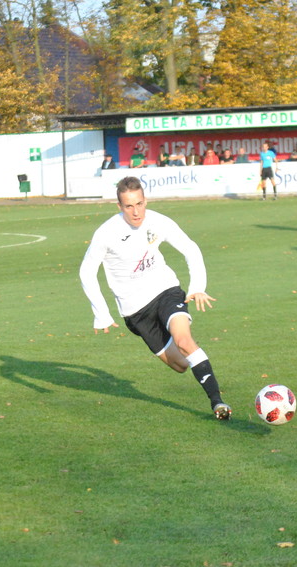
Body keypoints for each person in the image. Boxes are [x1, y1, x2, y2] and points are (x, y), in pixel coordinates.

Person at [79, 176, 231, 420]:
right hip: (136, 312)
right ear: (119, 207)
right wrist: (101, 313)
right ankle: (200, 368)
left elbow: (190, 248)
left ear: (145, 200)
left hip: (166, 291)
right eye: (129, 206)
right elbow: (86, 271)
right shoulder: (106, 233)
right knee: (181, 365)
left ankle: (218, 402)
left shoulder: (159, 221)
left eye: (140, 204)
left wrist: (197, 286)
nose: (136, 212)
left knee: (184, 340)